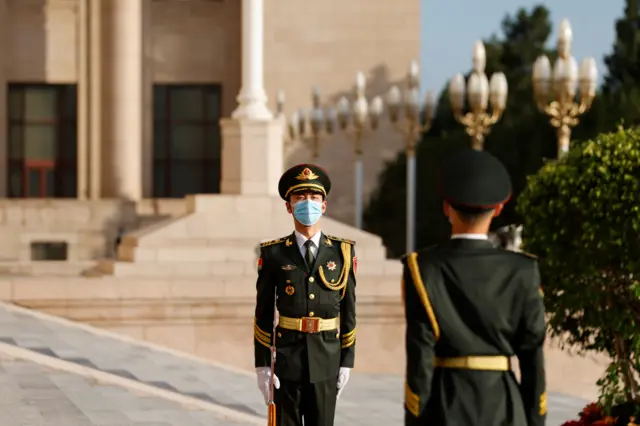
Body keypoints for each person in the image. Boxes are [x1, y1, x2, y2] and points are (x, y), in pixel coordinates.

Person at [402, 150, 546, 426]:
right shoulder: (523, 270)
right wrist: (535, 419)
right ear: (499, 208)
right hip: (505, 406)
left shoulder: (422, 268)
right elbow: (533, 360)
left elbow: (419, 359)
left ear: (446, 207)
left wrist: (415, 418)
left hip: (445, 407)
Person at [253, 164, 357, 426]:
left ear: (324, 205)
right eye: (299, 198)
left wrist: (347, 361)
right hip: (287, 360)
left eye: (314, 198)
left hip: (326, 358)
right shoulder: (274, 253)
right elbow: (263, 313)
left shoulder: (342, 252)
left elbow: (349, 310)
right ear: (289, 206)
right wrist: (263, 365)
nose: (307, 204)